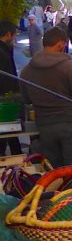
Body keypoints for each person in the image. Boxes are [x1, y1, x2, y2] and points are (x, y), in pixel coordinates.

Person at [19, 27, 72, 166]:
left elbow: (26, 100)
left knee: (54, 171)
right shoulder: (66, 66)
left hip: (45, 126)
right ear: (60, 44)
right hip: (71, 123)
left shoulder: (26, 70)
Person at [0, 21, 23, 156]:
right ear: (8, 35)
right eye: (14, 35)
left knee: (10, 129)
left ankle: (17, 152)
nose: (14, 38)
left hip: (6, 94)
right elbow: (7, 76)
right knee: (7, 128)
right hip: (5, 96)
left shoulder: (5, 49)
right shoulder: (3, 52)